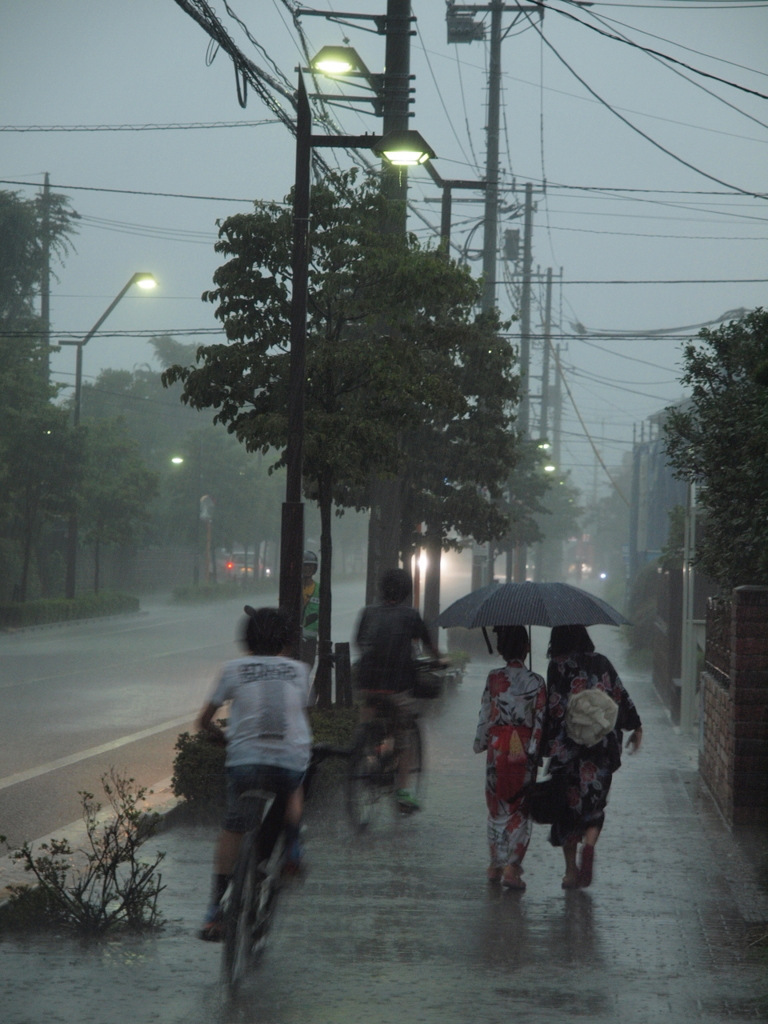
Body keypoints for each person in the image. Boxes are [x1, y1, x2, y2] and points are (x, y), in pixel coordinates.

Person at [196, 605, 312, 941]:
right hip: (288, 761)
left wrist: (222, 738)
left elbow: (202, 722)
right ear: (286, 642)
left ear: (246, 640)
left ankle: (214, 911)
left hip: (244, 763)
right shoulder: (299, 671)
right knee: (294, 784)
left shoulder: (233, 669)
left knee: (232, 827)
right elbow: (300, 717)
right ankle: (292, 846)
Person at [544, 624, 643, 890]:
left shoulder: (557, 666)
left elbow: (554, 708)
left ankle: (570, 873)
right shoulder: (602, 662)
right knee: (594, 805)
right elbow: (620, 697)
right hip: (601, 747)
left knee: (569, 807)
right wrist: (636, 726)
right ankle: (589, 845)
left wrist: (546, 745)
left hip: (569, 749)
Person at [354, 567, 444, 812]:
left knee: (368, 720)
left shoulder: (368, 612)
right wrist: (440, 660)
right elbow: (429, 647)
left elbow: (360, 642)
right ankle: (402, 792)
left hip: (367, 683)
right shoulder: (411, 615)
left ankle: (367, 752)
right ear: (406, 591)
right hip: (396, 687)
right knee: (404, 737)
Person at [474, 625, 547, 890]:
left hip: (497, 747)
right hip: (523, 747)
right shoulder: (537, 682)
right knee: (519, 809)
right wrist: (535, 752)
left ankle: (495, 864)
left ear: (502, 649)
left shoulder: (494, 678)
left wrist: (480, 742)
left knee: (496, 808)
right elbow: (540, 720)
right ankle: (512, 869)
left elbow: (485, 713)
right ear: (526, 648)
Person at [300, 550, 320, 669]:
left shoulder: (319, 589)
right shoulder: (293, 587)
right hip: (294, 639)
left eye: (310, 566)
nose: (308, 568)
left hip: (311, 641)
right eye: (305, 565)